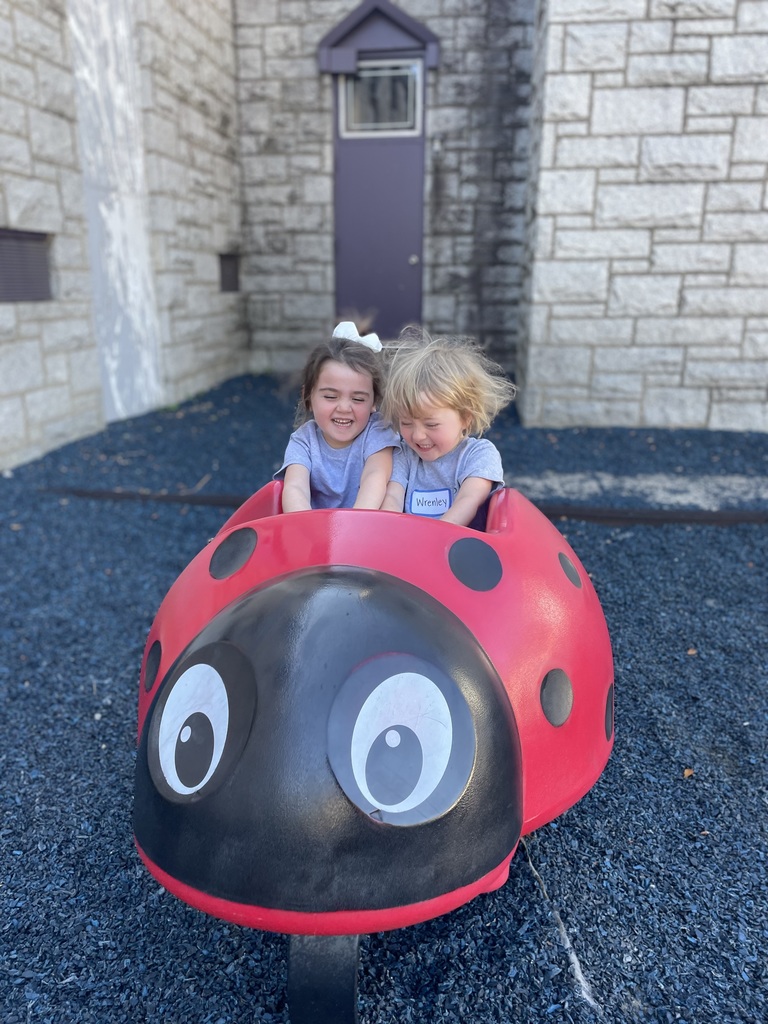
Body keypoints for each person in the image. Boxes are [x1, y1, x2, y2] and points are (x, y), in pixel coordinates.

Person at [380, 328, 516, 527]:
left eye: (431, 424)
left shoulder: (478, 455)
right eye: (406, 423)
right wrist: (384, 527)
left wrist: (436, 538)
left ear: (466, 418)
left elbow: (468, 500)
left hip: (462, 551)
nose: (417, 435)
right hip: (409, 549)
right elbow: (392, 497)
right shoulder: (405, 456)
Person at [275, 322, 400, 512]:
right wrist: (306, 528)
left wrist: (353, 526)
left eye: (358, 399)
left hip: (364, 527)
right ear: (308, 397)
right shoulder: (304, 441)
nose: (344, 407)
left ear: (374, 402)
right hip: (317, 533)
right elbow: (295, 488)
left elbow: (375, 478)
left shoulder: (377, 432)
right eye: (331, 397)